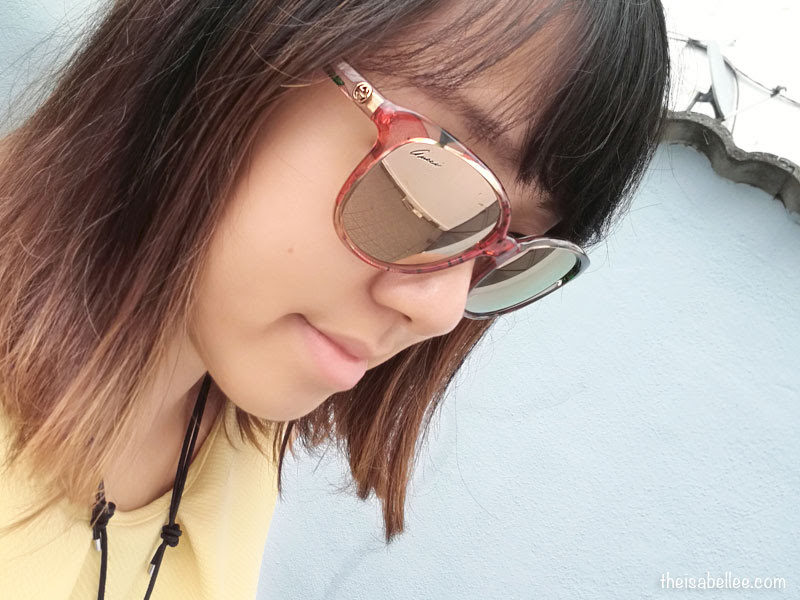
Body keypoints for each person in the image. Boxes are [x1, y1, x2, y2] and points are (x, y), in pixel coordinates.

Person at [0, 0, 671, 598]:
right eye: (433, 185)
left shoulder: (237, 434)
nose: (441, 312)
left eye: (517, 246)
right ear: (236, 32)